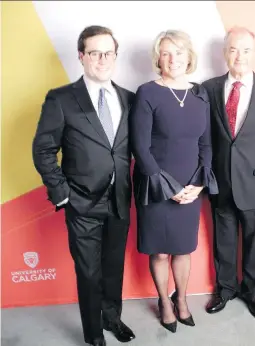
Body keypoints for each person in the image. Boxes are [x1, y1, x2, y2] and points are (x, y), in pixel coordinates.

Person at [32, 26, 136, 345]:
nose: (102, 59)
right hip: (81, 203)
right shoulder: (61, 99)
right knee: (89, 273)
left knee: (113, 267)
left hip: (119, 200)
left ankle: (112, 318)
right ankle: (93, 335)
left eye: (108, 53)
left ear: (115, 56)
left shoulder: (130, 99)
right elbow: (43, 149)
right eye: (94, 52)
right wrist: (63, 195)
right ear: (82, 56)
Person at [129, 30, 218, 333]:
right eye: (166, 53)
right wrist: (169, 188)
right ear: (158, 58)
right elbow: (140, 147)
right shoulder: (147, 92)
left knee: (183, 249)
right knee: (160, 250)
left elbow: (206, 144)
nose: (173, 59)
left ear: (189, 57)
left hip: (191, 186)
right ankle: (164, 302)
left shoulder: (200, 93)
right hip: (156, 185)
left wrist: (200, 183)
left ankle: (181, 298)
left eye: (179, 53)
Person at [202, 26, 255, 319]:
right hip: (220, 183)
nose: (240, 55)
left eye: (246, 49)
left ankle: (252, 293)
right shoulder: (209, 89)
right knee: (223, 241)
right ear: (225, 53)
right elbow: (205, 138)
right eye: (234, 49)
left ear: (254, 53)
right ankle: (225, 290)